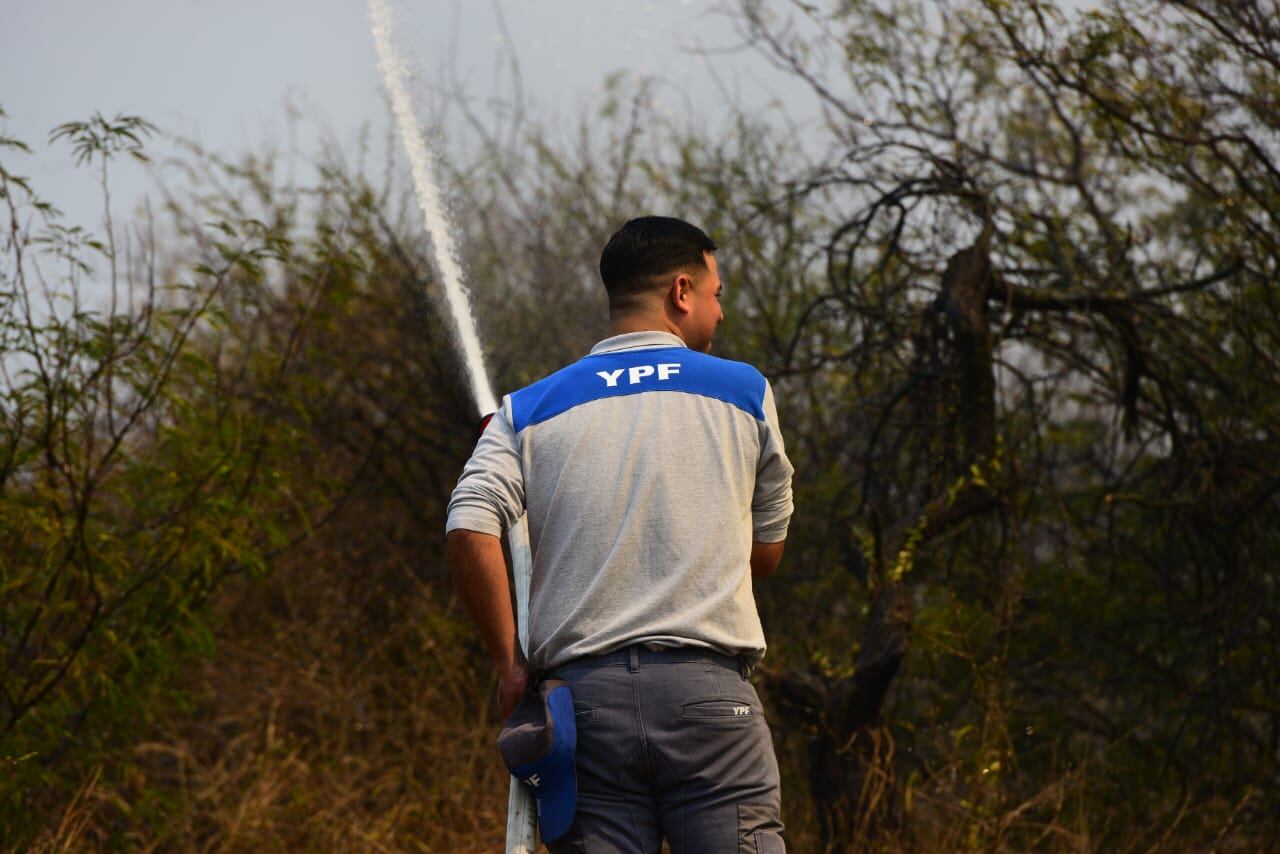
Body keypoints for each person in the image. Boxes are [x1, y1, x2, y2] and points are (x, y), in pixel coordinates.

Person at [446, 216, 794, 853]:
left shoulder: (529, 408)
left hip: (584, 714)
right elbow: (765, 556)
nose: (718, 315)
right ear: (682, 292)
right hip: (710, 704)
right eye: (717, 296)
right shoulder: (744, 392)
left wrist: (508, 665)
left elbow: (469, 525)